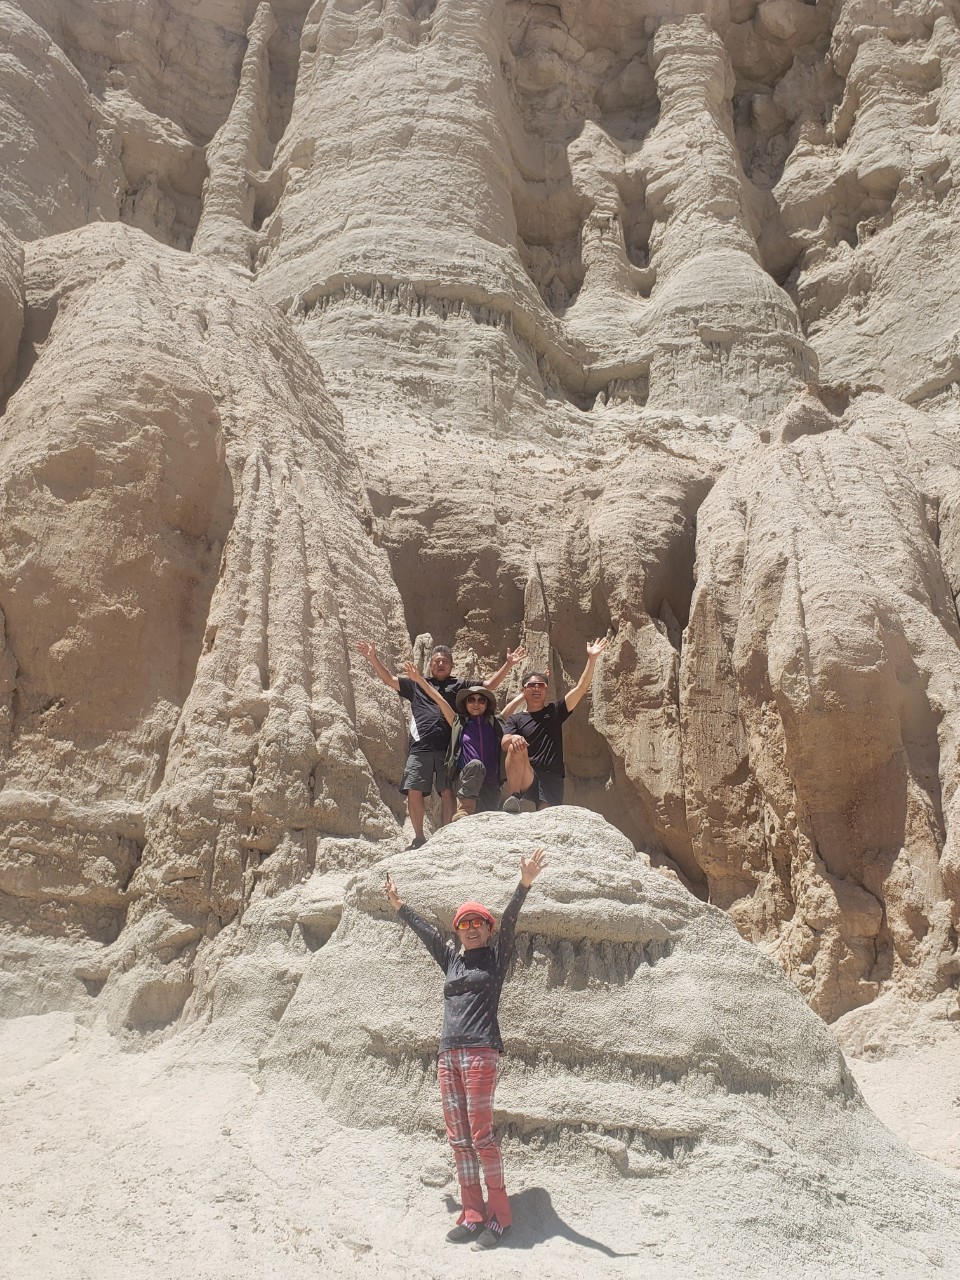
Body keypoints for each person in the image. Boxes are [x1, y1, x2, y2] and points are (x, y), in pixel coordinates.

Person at [384, 847, 548, 1250]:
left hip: (480, 1053)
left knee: (481, 1136)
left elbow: (511, 921)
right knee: (458, 1137)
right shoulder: (452, 961)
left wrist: (524, 885)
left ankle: (500, 1216)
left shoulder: (495, 957)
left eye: (479, 922)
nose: (472, 928)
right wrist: (400, 906)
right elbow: (427, 934)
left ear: (488, 930)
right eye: (464, 923)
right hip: (448, 1056)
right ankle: (473, 1213)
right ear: (457, 931)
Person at [356, 640, 526, 848]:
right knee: (414, 788)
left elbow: (489, 686)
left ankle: (447, 835)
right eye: (436, 661)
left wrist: (509, 664)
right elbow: (389, 679)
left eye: (445, 661)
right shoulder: (416, 684)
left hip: (448, 749)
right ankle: (419, 837)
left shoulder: (459, 685)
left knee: (448, 791)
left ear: (451, 666)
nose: (440, 664)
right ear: (430, 665)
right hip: (421, 746)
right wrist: (373, 657)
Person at [501, 637, 609, 811]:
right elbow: (504, 743)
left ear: (546, 689)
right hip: (527, 774)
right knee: (514, 746)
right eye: (532, 685)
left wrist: (592, 659)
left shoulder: (555, 711)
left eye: (541, 685)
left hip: (551, 777)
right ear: (523, 690)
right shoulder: (517, 719)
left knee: (546, 815)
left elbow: (581, 689)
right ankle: (515, 798)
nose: (537, 688)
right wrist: (513, 738)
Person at [402, 663, 505, 820]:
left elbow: (515, 706)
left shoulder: (494, 723)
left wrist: (525, 684)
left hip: (491, 783)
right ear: (465, 703)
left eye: (481, 700)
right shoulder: (458, 723)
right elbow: (439, 699)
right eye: (471, 700)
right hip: (466, 780)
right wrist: (419, 680)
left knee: (487, 821)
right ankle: (465, 809)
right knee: (476, 765)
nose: (476, 703)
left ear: (487, 704)